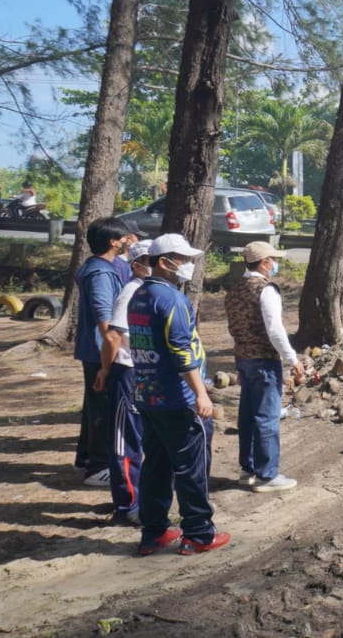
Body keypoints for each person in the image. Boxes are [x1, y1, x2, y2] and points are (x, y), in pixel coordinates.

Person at [129, 233, 229, 556]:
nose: (187, 265)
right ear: (164, 262)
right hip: (178, 398)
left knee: (155, 465)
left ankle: (154, 531)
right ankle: (199, 533)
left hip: (148, 395)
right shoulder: (171, 300)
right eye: (182, 259)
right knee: (191, 466)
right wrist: (201, 393)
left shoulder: (139, 296)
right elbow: (181, 352)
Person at [227, 241, 305, 493]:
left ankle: (248, 469)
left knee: (248, 415)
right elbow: (275, 329)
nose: (275, 264)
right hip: (263, 359)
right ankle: (267, 474)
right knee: (267, 416)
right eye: (272, 259)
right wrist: (292, 358)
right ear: (263, 263)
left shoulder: (235, 289)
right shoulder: (266, 289)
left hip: (243, 357)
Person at [93, 239, 152, 524]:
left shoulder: (154, 290)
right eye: (151, 261)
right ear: (137, 265)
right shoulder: (131, 291)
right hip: (128, 370)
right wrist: (106, 369)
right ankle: (128, 505)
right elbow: (113, 336)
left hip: (143, 372)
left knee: (138, 439)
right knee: (125, 442)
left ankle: (138, 501)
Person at [73, 217, 129, 487]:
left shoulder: (95, 267)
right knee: (104, 411)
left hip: (97, 350)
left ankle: (87, 459)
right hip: (101, 352)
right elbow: (106, 322)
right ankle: (98, 467)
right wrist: (111, 356)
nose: (127, 241)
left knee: (95, 408)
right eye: (123, 237)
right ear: (112, 242)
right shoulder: (101, 274)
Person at [112, 219, 142, 284]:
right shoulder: (118, 264)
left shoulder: (128, 262)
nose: (139, 241)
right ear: (128, 239)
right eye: (138, 237)